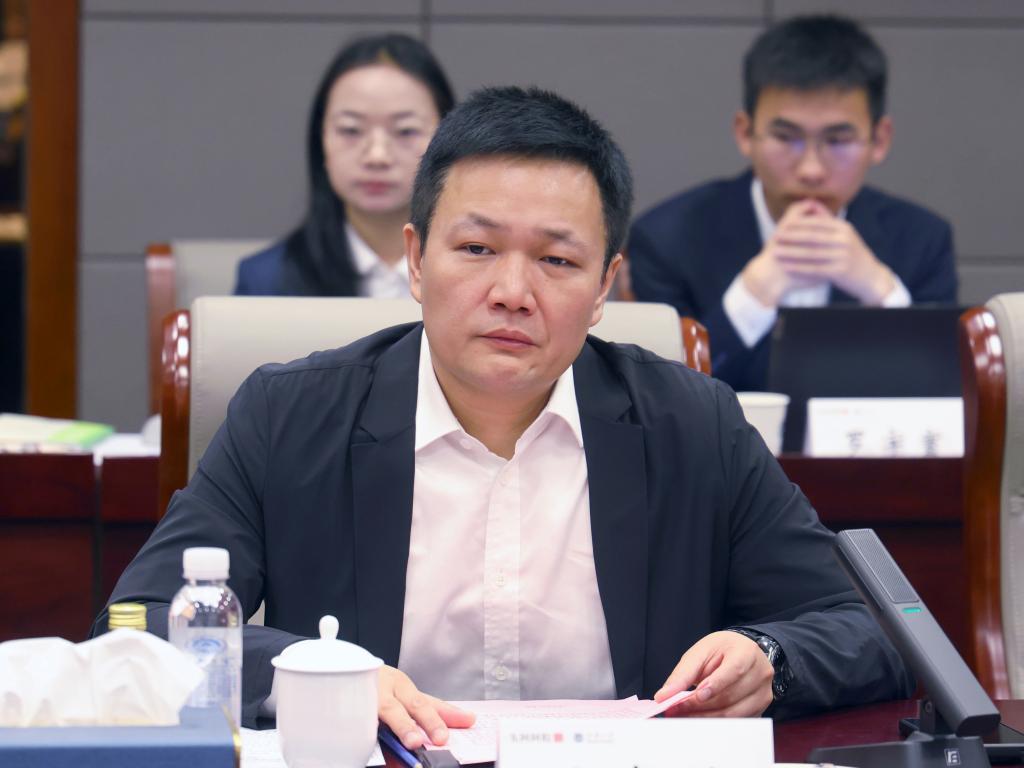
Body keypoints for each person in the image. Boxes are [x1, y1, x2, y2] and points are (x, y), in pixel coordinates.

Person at [96, 86, 912, 742]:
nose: (513, 292)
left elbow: (872, 630)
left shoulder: (694, 426)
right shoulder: (289, 416)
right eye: (477, 249)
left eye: (556, 260)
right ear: (416, 260)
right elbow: (132, 631)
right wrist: (316, 673)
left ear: (605, 286)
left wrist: (768, 656)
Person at [628, 15, 957, 391]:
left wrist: (880, 291)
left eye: (837, 141)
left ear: (879, 140)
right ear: (745, 133)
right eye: (786, 138)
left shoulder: (922, 239)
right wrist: (753, 295)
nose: (811, 170)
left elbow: (945, 394)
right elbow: (660, 394)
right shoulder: (667, 238)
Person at [234, 33, 454, 296]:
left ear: (446, 137)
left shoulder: (477, 270)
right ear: (321, 140)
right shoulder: (267, 280)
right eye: (351, 130)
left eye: (405, 131)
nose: (377, 156)